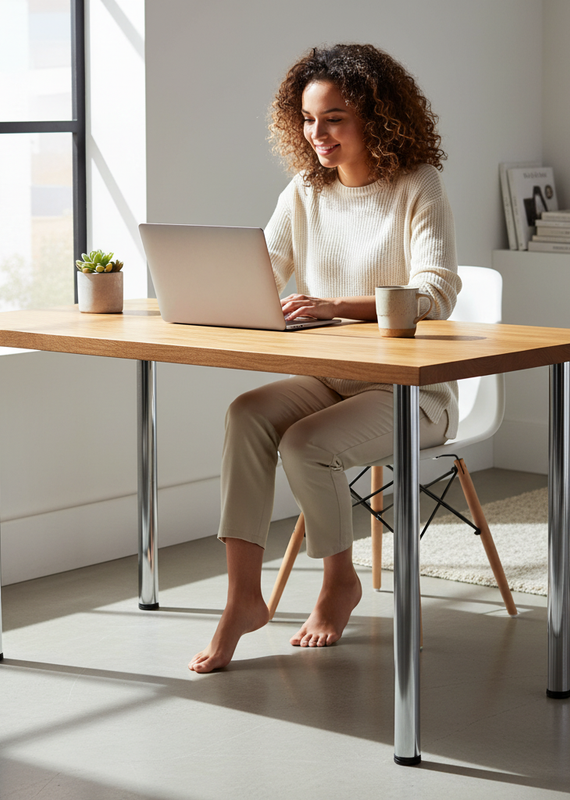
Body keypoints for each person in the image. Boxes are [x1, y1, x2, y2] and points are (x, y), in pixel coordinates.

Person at [189, 43, 461, 673]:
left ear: (376, 116)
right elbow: (264, 271)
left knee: (306, 444)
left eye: (334, 118)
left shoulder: (416, 185)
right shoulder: (305, 191)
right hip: (330, 379)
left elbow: (436, 293)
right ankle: (242, 600)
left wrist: (334, 304)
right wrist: (216, 289)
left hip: (413, 394)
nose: (317, 134)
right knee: (246, 413)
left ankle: (340, 581)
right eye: (309, 119)